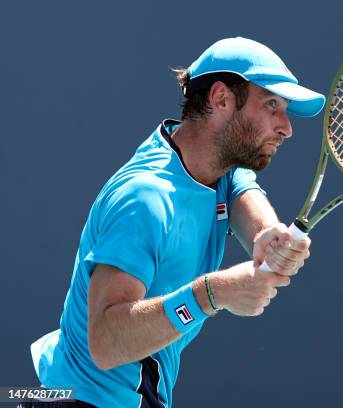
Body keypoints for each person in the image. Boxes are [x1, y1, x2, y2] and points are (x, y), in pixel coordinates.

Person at [25, 37, 325, 407]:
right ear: (221, 99)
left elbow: (243, 195)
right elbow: (104, 342)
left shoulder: (213, 168)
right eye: (272, 105)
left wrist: (268, 236)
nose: (286, 127)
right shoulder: (145, 199)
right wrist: (215, 293)